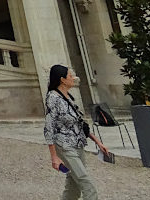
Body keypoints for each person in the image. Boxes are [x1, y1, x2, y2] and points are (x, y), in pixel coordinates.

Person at [44, 63, 111, 200]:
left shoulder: (68, 97)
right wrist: (54, 157)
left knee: (73, 185)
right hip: (64, 145)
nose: (73, 78)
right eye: (70, 75)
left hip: (78, 144)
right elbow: (49, 127)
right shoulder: (53, 98)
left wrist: (98, 142)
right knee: (87, 183)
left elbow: (80, 124)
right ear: (62, 79)